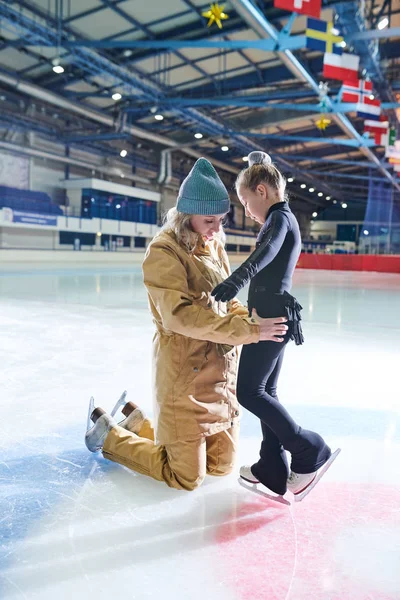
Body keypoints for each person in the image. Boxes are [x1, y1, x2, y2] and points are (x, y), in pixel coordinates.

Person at [84, 157, 288, 492]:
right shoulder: (164, 252)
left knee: (221, 467)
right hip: (186, 378)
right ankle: (109, 435)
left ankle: (138, 422)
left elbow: (230, 301)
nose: (216, 228)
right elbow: (180, 317)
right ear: (186, 214)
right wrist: (249, 332)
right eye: (210, 220)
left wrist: (252, 321)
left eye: (221, 220)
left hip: (221, 376)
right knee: (186, 477)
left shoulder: (213, 247)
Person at [212, 151, 339, 499]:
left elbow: (264, 253)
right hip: (272, 312)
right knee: (265, 392)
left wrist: (235, 280)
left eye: (245, 200)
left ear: (262, 190)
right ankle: (271, 464)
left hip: (270, 316)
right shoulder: (281, 218)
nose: (246, 210)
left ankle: (307, 448)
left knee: (249, 393)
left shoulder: (279, 219)